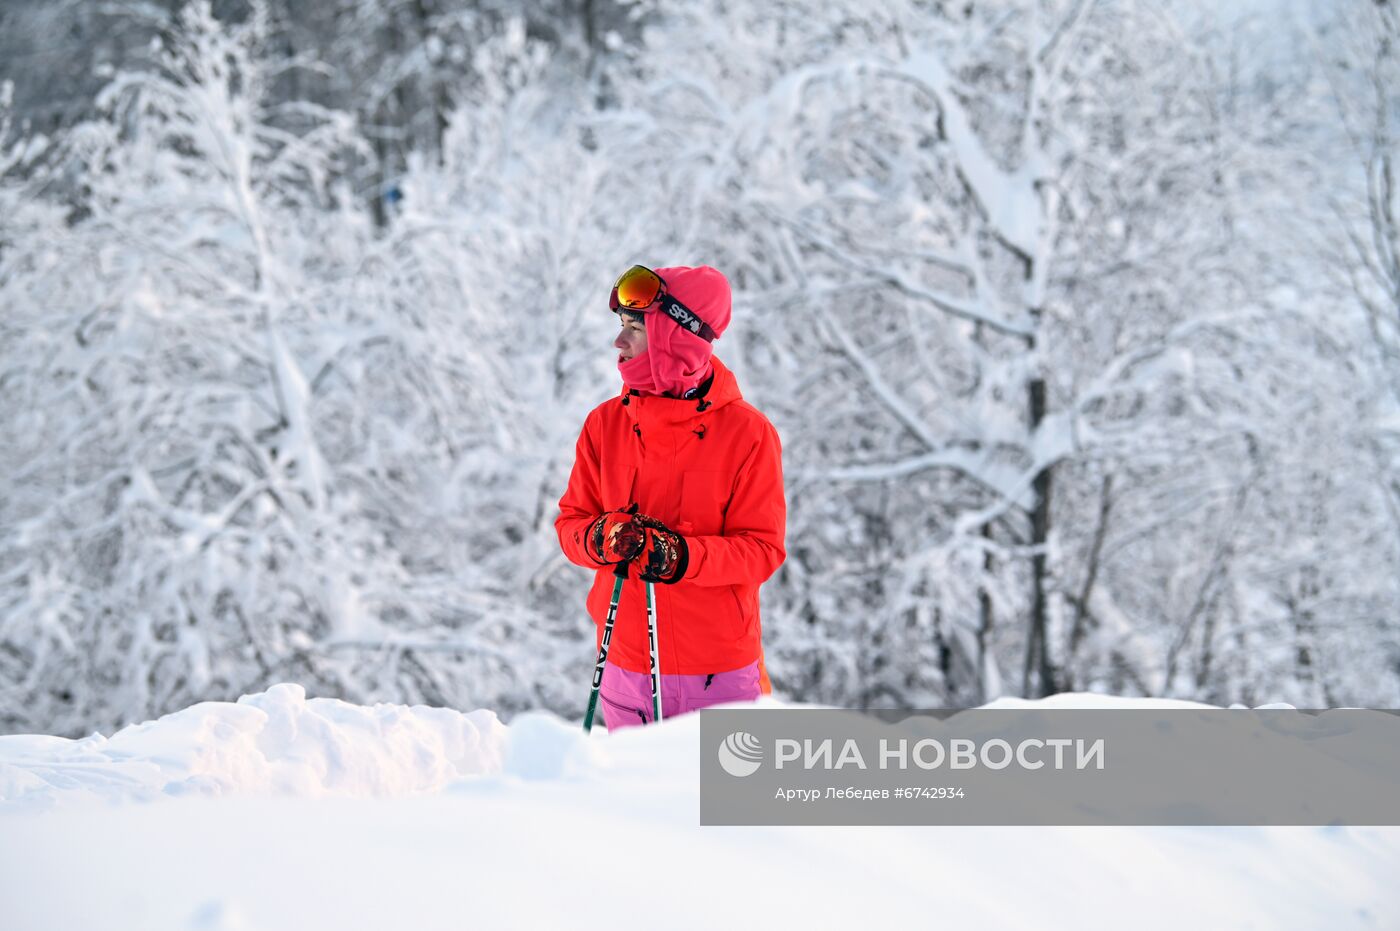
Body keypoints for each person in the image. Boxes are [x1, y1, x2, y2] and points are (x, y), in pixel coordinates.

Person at [555, 264, 786, 731]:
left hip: (721, 673)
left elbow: (762, 551)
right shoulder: (604, 425)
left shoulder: (749, 434)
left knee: (729, 805)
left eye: (635, 328)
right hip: (625, 663)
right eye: (621, 327)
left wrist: (680, 556)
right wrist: (601, 538)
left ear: (675, 335)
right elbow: (570, 525)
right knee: (632, 803)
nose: (619, 343)